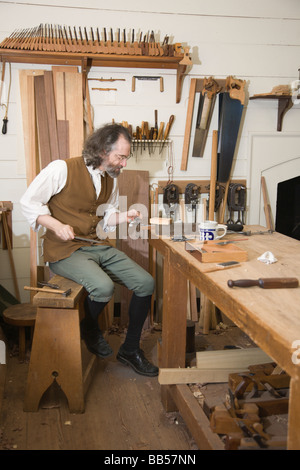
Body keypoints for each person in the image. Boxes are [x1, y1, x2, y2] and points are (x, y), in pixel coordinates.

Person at [20, 123, 158, 377]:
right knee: (103, 287)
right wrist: (55, 224)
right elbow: (29, 201)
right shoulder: (61, 169)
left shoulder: (110, 179)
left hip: (96, 245)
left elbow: (106, 217)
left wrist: (124, 216)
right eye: (121, 157)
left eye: (126, 158)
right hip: (64, 250)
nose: (124, 164)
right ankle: (89, 327)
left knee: (145, 282)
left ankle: (129, 350)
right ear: (104, 150)